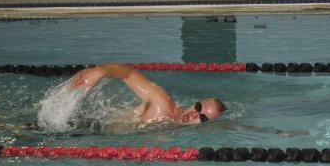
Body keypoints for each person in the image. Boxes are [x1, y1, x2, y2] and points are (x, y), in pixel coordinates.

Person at [70, 63, 227, 128]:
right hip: (87, 128)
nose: (194, 114)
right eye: (198, 107)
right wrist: (101, 71)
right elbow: (128, 73)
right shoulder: (163, 104)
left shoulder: (174, 125)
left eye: (203, 118)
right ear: (195, 102)